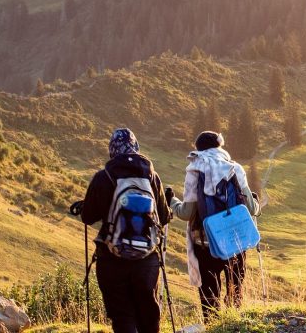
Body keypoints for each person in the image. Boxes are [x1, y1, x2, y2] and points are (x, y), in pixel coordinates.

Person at [79, 128, 171, 333]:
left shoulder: (104, 177)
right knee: (148, 313)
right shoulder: (152, 177)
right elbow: (164, 217)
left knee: (122, 315)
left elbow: (88, 217)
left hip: (112, 257)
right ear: (135, 147)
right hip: (147, 259)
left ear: (112, 150)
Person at [170, 131, 265, 321]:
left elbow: (186, 213)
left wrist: (171, 201)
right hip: (235, 242)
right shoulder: (235, 168)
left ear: (198, 150)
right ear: (219, 147)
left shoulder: (194, 170)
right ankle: (234, 326)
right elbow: (252, 209)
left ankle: (213, 325)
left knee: (210, 299)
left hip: (206, 243)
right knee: (235, 295)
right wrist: (253, 199)